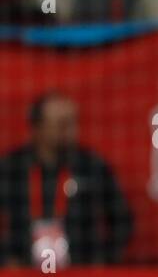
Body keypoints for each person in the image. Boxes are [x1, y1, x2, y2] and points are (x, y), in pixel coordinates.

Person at [0, 91, 133, 267]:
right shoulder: (11, 167)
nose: (70, 131)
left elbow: (122, 220)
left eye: (73, 123)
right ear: (37, 127)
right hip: (24, 275)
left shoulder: (92, 166)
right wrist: (6, 259)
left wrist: (102, 259)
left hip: (80, 274)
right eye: (62, 124)